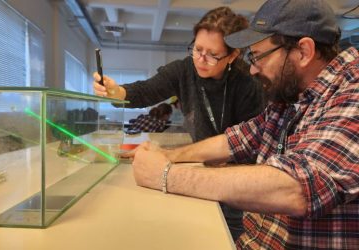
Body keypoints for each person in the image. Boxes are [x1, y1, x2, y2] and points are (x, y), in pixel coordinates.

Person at [130, 0, 359, 249]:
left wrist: (165, 175)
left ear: (303, 51)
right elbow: (237, 138)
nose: (251, 69)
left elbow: (296, 189)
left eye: (259, 56)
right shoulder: (292, 98)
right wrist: (169, 156)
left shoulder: (352, 91)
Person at [94, 7, 265, 239]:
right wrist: (117, 91)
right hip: (201, 166)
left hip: (236, 177)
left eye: (212, 54)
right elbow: (146, 90)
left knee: (231, 235)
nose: (201, 60)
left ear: (233, 56)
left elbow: (252, 143)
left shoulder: (248, 83)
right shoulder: (185, 70)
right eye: (197, 49)